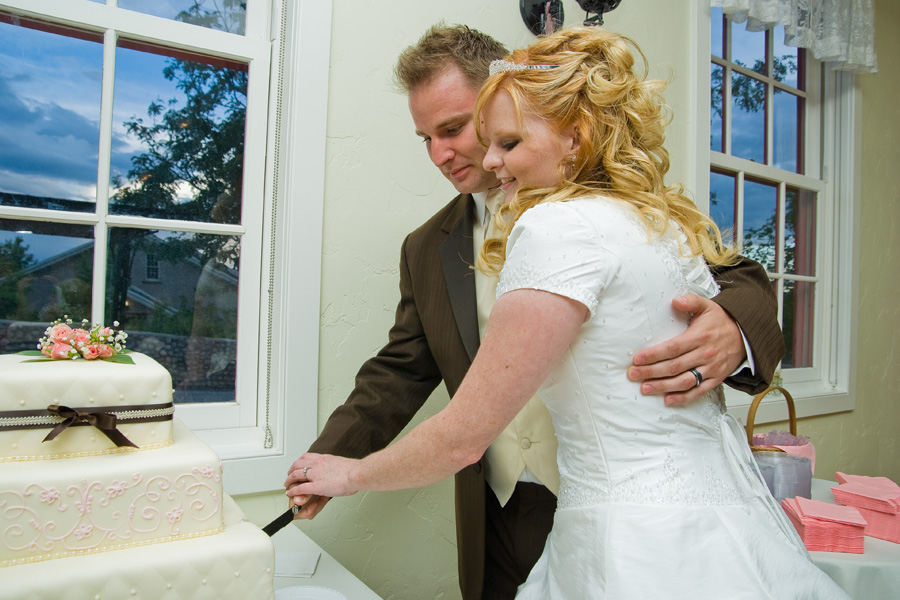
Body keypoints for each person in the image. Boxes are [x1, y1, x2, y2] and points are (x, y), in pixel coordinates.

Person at [287, 27, 848, 600]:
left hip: (626, 518)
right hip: (505, 505)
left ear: (499, 101)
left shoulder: (625, 209)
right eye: (425, 137)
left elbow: (738, 278)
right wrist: (331, 461)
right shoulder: (427, 247)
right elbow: (399, 369)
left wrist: (733, 328)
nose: (441, 153)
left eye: (454, 129)